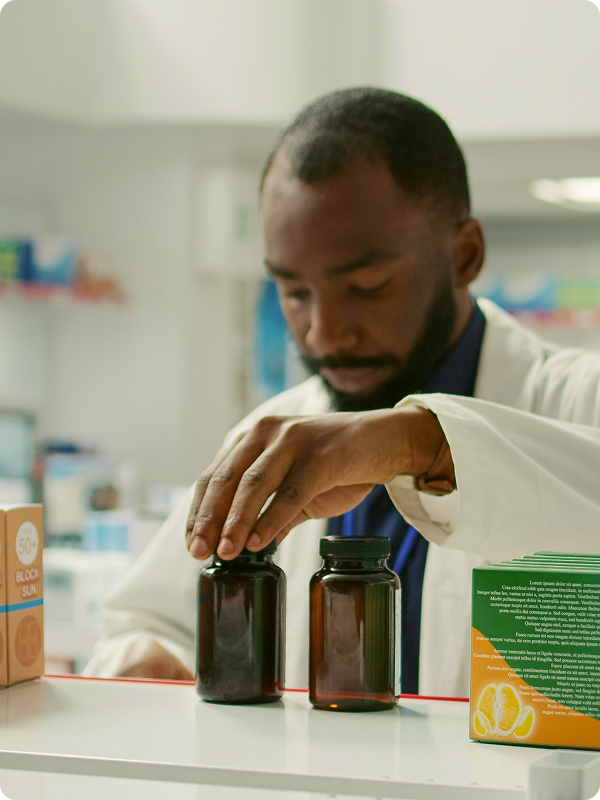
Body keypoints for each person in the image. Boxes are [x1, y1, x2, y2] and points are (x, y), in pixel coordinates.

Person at [84, 88, 600, 696]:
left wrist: (416, 443)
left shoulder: (576, 400)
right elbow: (149, 620)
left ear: (465, 255)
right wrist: (148, 655)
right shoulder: (278, 428)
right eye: (294, 293)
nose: (325, 333)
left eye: (368, 286)